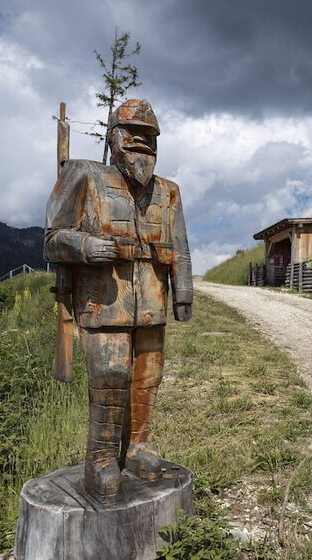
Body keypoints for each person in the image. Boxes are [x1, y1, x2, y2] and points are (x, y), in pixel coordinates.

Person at [44, 99, 193, 503]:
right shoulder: (83, 175)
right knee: (110, 378)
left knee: (148, 379)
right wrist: (87, 245)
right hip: (104, 302)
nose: (142, 142)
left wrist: (184, 293)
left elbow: (179, 245)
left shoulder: (168, 191)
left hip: (152, 303)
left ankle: (139, 446)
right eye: (133, 134)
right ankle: (102, 458)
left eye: (150, 136)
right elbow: (52, 239)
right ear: (113, 137)